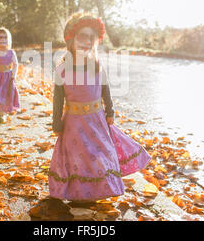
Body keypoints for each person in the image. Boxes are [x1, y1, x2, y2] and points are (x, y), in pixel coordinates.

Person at [49, 12, 151, 203]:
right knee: (78, 158)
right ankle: (80, 192)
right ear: (71, 40)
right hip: (74, 122)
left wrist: (110, 111)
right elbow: (58, 99)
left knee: (99, 153)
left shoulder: (97, 66)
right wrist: (56, 122)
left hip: (97, 120)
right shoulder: (62, 69)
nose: (85, 41)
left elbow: (105, 90)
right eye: (81, 36)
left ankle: (98, 188)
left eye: (90, 38)